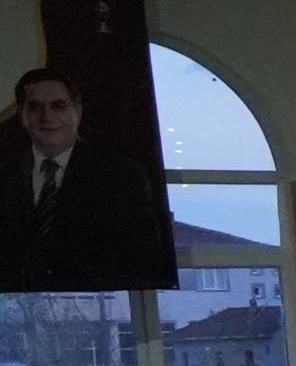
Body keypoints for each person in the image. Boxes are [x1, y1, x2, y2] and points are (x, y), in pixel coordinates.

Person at [0, 64, 183, 292]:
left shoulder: (122, 175)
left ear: (78, 112)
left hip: (104, 301)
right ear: (22, 115)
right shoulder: (5, 176)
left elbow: (144, 257)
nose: (46, 117)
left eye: (58, 106)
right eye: (35, 107)